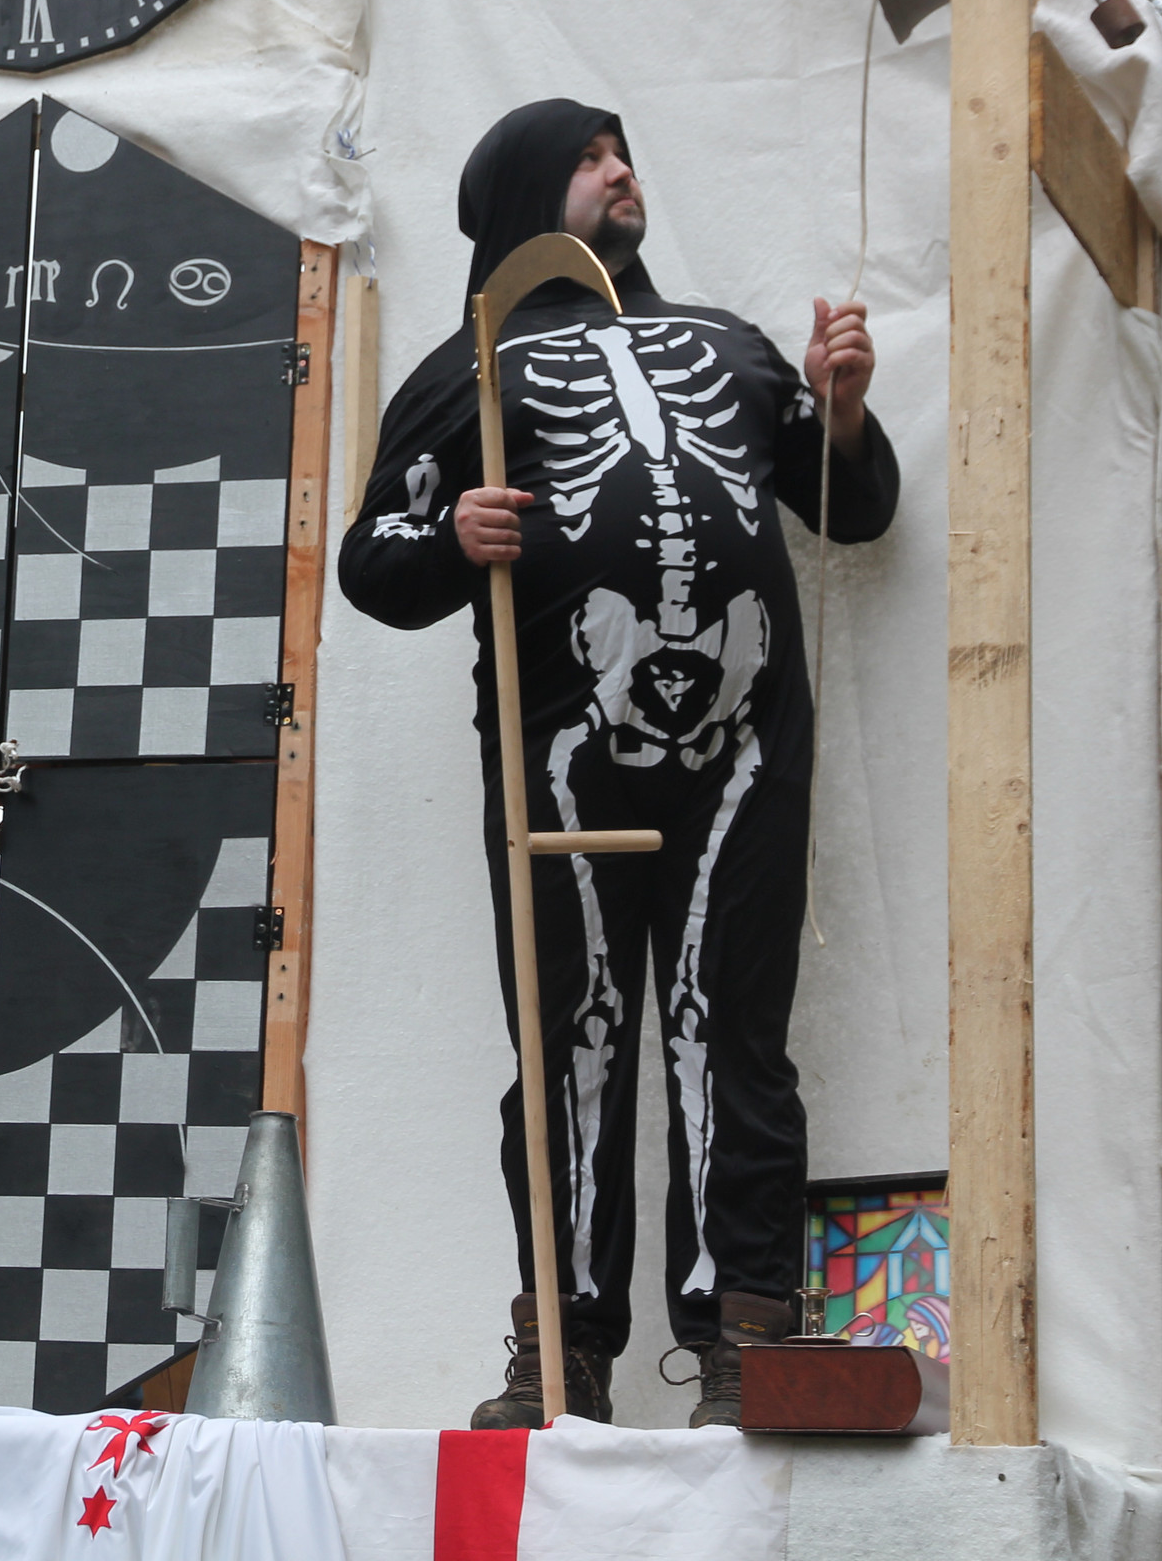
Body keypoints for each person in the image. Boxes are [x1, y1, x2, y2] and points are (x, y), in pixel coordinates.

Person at [336, 102, 897, 1429]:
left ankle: (745, 1337)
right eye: (589, 157)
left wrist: (840, 411)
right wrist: (452, 534)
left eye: (622, 151)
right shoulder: (467, 370)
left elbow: (854, 508)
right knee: (569, 1036)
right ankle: (564, 1351)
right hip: (565, 753)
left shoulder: (730, 344)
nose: (620, 169)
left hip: (747, 746)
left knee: (732, 1031)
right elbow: (372, 561)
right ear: (528, 192)